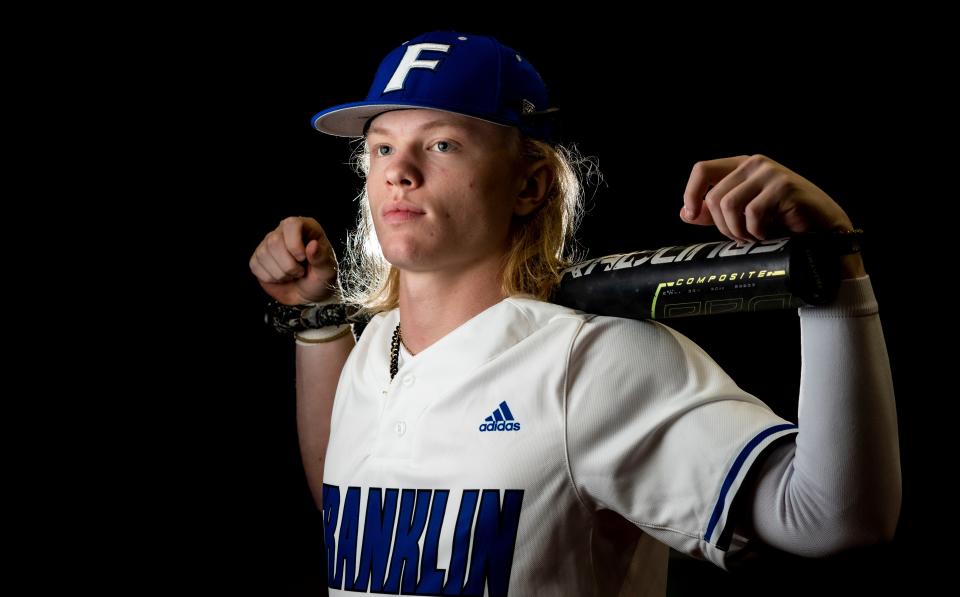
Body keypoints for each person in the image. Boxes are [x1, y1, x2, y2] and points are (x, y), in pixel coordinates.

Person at [249, 30, 900, 596]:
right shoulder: (373, 350)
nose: (401, 172)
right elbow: (347, 502)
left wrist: (837, 271)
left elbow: (833, 518)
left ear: (529, 184)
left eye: (442, 144)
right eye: (383, 147)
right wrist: (317, 320)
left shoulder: (590, 360)